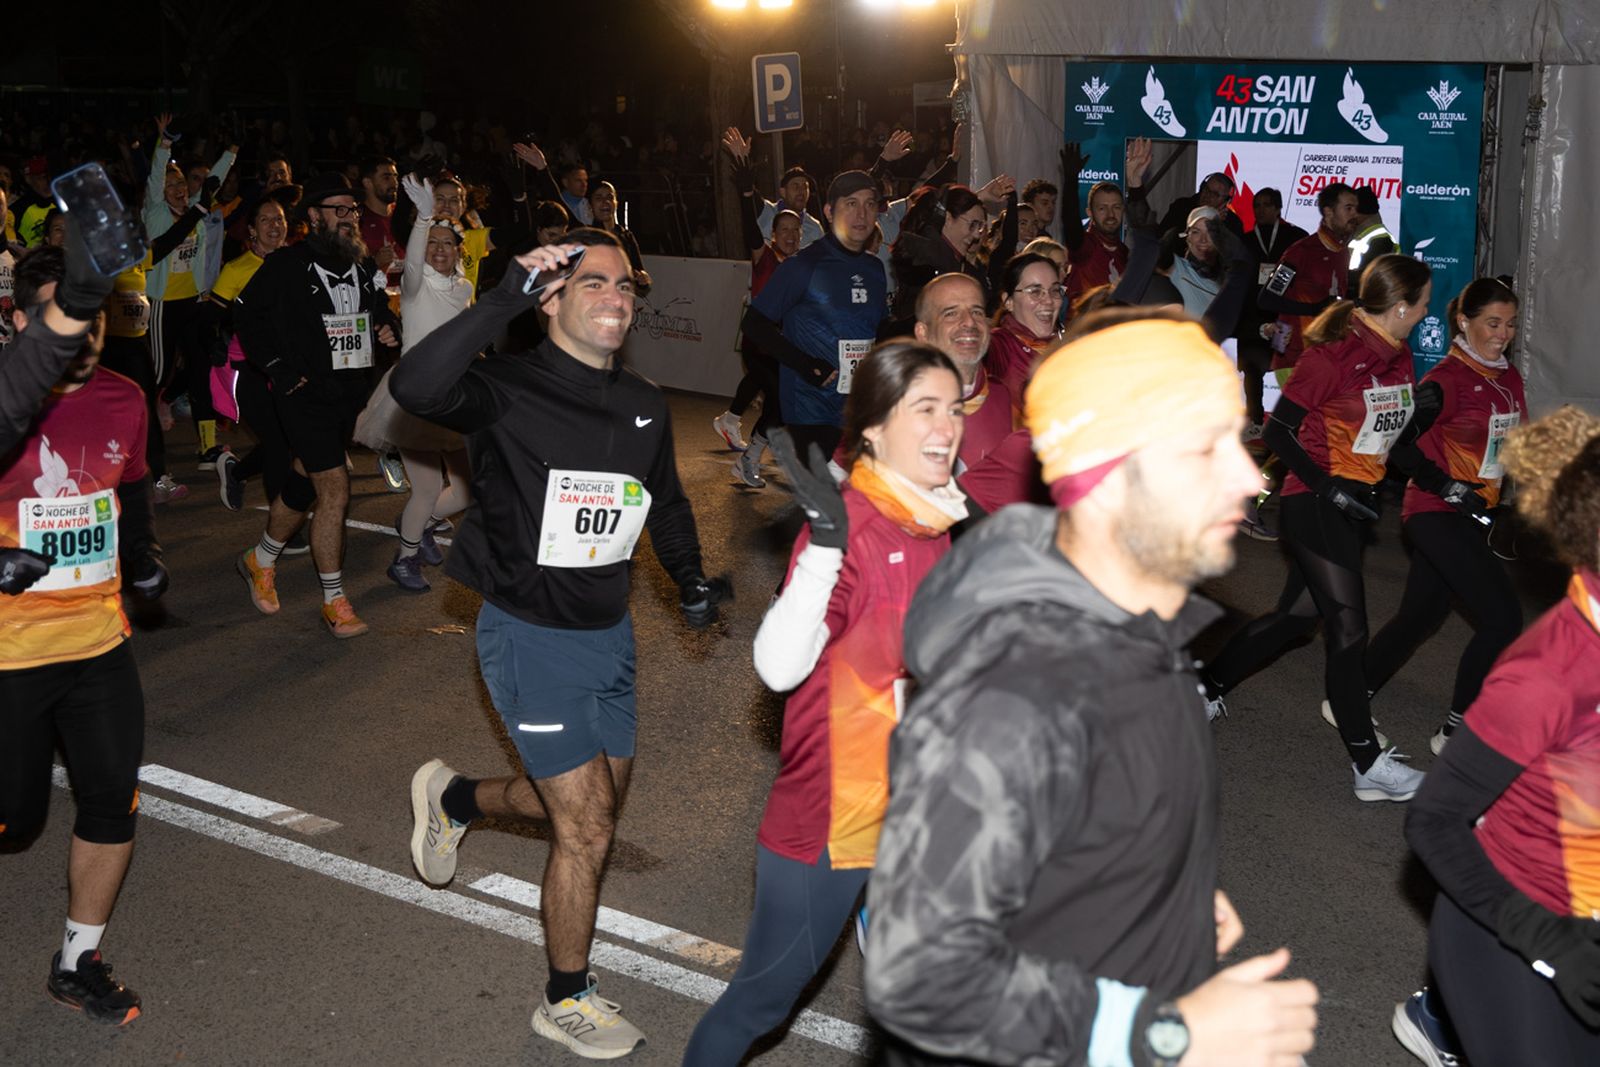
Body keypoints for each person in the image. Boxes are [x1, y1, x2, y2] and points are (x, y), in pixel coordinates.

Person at [866, 312, 1318, 1066]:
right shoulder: (1017, 691)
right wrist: (1166, 1037)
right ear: (1109, 478)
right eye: (1205, 448)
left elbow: (1078, 845)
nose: (1251, 476)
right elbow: (921, 975)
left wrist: (1163, 902)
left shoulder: (1145, 634)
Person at [393, 231, 730, 1060]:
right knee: (584, 829)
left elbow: (666, 502)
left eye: (626, 285)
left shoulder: (644, 402)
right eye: (594, 283)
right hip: (526, 634)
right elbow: (415, 384)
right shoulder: (506, 390)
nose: (619, 296)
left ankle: (454, 800)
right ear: (551, 300)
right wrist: (503, 293)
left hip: (607, 636)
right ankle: (565, 995)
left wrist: (687, 577)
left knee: (588, 806)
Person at [684, 343, 972, 1063]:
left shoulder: (927, 519)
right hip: (834, 821)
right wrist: (824, 551)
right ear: (873, 428)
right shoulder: (854, 523)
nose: (949, 425)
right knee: (761, 1001)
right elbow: (778, 665)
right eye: (926, 408)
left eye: (956, 407)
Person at [2, 230, 167, 1028]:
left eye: (92, 319)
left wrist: (144, 556)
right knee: (15, 818)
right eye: (63, 320)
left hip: (99, 646)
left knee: (111, 798)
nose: (84, 336)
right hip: (5, 653)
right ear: (22, 324)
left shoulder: (124, 398)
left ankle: (78, 961)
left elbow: (125, 495)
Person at [1403, 405, 1600, 1066]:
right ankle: (1439, 1015)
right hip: (1516, 932)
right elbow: (1433, 822)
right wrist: (1540, 933)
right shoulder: (1552, 671)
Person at [1204, 255, 1433, 800]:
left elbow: (1393, 439)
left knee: (1293, 620)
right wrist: (1325, 484)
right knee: (1348, 629)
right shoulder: (1332, 358)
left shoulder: (1399, 360)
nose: (1425, 313)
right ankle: (1367, 763)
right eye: (1422, 304)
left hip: (1353, 506)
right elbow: (1279, 431)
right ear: (1400, 307)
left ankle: (1204, 685)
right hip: (1315, 502)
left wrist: (1442, 480)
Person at [232, 173, 401, 638]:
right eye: (340, 210)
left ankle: (260, 558)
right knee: (336, 491)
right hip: (303, 394)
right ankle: (335, 600)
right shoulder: (287, 265)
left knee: (307, 478)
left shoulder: (363, 266)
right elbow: (244, 312)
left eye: (353, 211)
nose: (351, 219)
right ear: (313, 217)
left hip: (349, 392)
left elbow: (377, 311)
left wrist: (387, 327)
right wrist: (279, 370)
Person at [1366, 278, 1527, 754]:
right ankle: (1457, 730)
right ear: (1464, 322)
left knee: (1421, 615)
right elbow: (1395, 443)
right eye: (1492, 323)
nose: (1503, 333)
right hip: (1436, 512)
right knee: (1502, 618)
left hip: (1475, 515)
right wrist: (1448, 486)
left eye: (1511, 324)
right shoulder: (1444, 381)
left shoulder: (1508, 376)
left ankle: (1352, 692)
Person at [353, 174, 475, 593]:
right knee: (424, 489)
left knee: (465, 490)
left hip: (453, 397)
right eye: (433, 243)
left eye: (448, 243)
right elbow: (417, 257)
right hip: (412, 398)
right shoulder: (413, 284)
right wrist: (424, 219)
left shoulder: (464, 289)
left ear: (459, 251)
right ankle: (404, 560)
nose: (439, 250)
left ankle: (416, 527)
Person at [740, 170, 887, 462]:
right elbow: (754, 324)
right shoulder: (803, 265)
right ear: (830, 212)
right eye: (851, 204)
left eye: (869, 204)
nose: (862, 214)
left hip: (858, 405)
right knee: (828, 501)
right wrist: (805, 364)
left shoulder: (875, 269)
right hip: (812, 408)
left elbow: (878, 329)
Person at [142, 114, 237, 468]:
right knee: (160, 374)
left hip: (193, 302)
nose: (178, 189)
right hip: (163, 304)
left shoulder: (196, 210)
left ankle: (208, 447)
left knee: (200, 372)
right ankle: (142, 438)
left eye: (181, 184)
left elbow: (215, 180)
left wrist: (232, 151)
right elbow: (155, 178)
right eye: (171, 185)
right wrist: (164, 145)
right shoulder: (156, 214)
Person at [914, 272, 1040, 512]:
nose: (969, 323)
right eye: (951, 313)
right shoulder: (892, 404)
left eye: (977, 312)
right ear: (923, 333)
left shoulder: (1008, 399)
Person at [717, 151, 805, 482]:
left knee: (778, 407)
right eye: (784, 229)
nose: (791, 236)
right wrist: (746, 194)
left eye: (796, 230)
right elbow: (751, 231)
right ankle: (752, 454)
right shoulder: (765, 257)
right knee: (780, 401)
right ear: (773, 234)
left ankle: (751, 456)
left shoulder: (803, 267)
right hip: (759, 347)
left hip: (786, 351)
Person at [207, 198, 290, 512]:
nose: (274, 226)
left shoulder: (295, 262)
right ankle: (283, 528)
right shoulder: (236, 269)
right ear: (252, 230)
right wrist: (215, 340)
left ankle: (236, 471)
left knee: (287, 441)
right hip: (248, 368)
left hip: (286, 367)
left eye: (279, 219)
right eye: (266, 220)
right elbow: (210, 319)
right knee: (278, 443)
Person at [1261, 182, 1359, 369]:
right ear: (1329, 212)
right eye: (1348, 208)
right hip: (1295, 359)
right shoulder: (1301, 251)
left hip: (1328, 356)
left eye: (1355, 208)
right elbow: (1267, 299)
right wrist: (1314, 308)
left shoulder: (1343, 251)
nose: (1354, 214)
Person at [1238, 187, 1309, 435]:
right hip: (1254, 315)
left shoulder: (1296, 238)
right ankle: (1254, 421)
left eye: (1267, 205)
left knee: (1289, 372)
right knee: (1251, 367)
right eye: (1257, 205)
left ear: (1279, 208)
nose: (1261, 210)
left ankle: (1294, 424)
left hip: (1284, 315)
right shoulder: (1245, 241)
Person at [720, 128, 824, 249]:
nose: (801, 191)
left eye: (805, 187)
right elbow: (749, 196)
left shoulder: (815, 228)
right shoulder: (766, 212)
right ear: (783, 192)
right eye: (795, 186)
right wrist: (742, 160)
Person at [1059, 142, 1129, 315]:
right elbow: (1071, 224)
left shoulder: (1125, 253)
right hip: (1084, 336)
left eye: (1116, 207)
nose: (1110, 214)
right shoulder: (1085, 246)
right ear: (1089, 212)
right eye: (1102, 208)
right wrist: (1071, 180)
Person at [984, 252, 1063, 403]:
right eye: (1035, 292)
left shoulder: (1068, 347)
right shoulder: (999, 346)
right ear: (1009, 302)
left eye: (1054, 290)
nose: (1048, 301)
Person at [586, 180, 648, 291]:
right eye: (599, 198)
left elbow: (638, 270)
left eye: (610, 197)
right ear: (590, 205)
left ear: (616, 203)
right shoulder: (587, 236)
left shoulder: (626, 236)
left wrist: (642, 278)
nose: (605, 202)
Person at [1159, 169, 1246, 242]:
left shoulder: (1233, 223)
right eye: (1206, 189)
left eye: (1215, 194)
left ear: (1226, 201)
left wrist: (1216, 225)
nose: (1208, 195)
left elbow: (1232, 253)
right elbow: (1167, 236)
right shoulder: (1181, 207)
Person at [1347, 186, 1397, 292]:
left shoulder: (1381, 240)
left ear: (1362, 211)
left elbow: (1369, 275)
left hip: (1366, 301)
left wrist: (1337, 275)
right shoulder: (1357, 234)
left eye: (1351, 209)